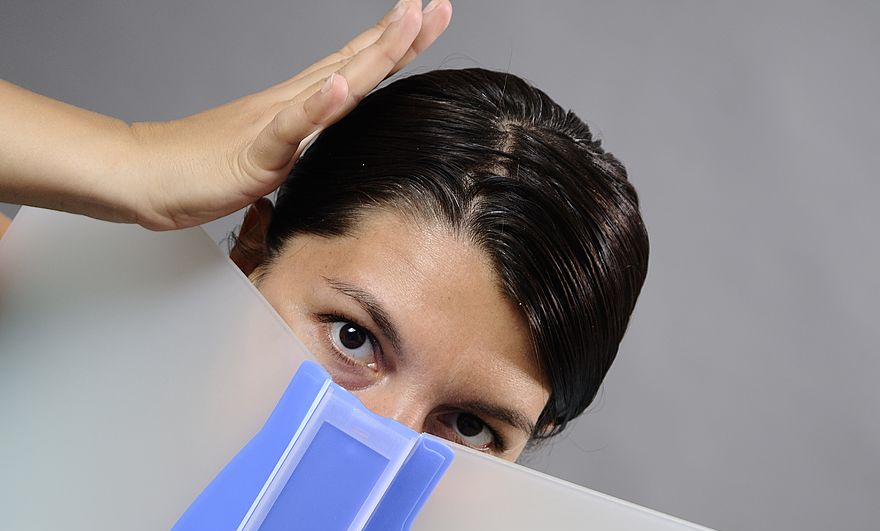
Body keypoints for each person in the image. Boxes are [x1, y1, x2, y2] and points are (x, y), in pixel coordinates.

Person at [0, 0, 648, 462]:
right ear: (253, 250)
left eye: (471, 427)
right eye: (353, 337)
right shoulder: (34, 362)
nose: (376, 445)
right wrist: (134, 160)